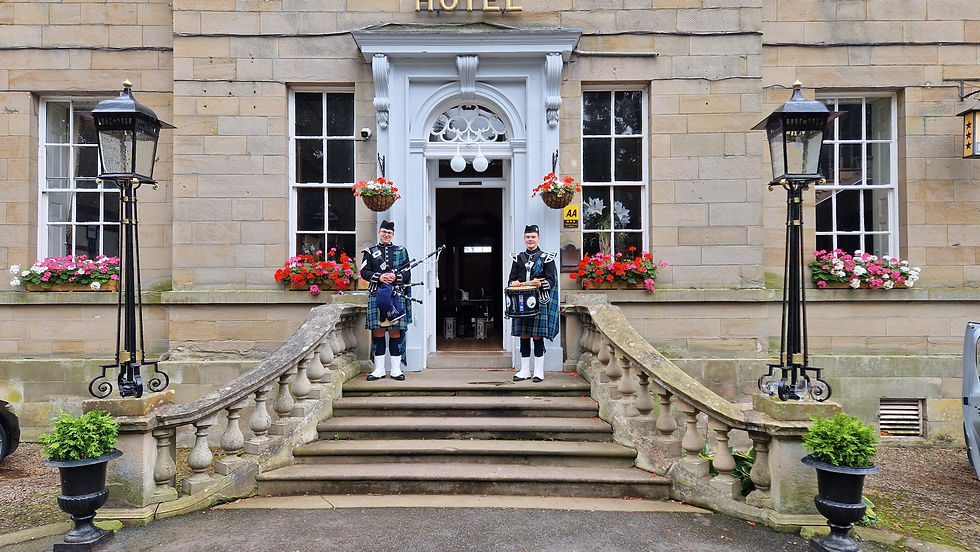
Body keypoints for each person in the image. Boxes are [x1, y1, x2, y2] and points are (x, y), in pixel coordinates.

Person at [360, 220, 412, 381]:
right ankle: (379, 370)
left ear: (393, 235)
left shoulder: (401, 251)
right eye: (384, 232)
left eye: (389, 233)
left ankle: (396, 370)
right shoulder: (370, 252)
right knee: (379, 332)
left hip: (396, 296)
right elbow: (364, 272)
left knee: (395, 332)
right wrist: (380, 276)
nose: (386, 235)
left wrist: (395, 276)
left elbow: (407, 273)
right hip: (377, 295)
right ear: (379, 233)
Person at [508, 224, 558, 382]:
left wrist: (540, 284)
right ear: (524, 239)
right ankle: (524, 371)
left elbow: (551, 280)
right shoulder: (518, 258)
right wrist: (514, 282)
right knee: (523, 335)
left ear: (538, 238)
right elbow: (511, 278)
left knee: (537, 336)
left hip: (539, 301)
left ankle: (538, 371)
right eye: (528, 237)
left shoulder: (547, 258)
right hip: (521, 302)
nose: (530, 240)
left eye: (533, 237)